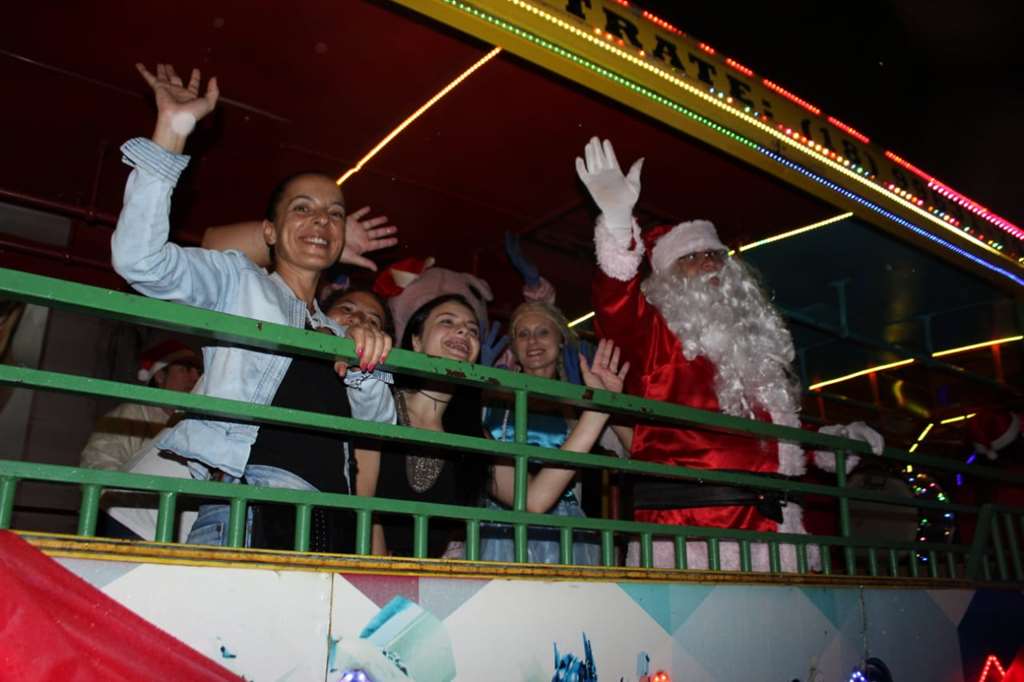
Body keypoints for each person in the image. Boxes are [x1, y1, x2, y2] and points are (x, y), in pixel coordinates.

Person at [110, 62, 394, 551]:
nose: (320, 221)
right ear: (269, 232)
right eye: (301, 208)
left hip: (329, 520)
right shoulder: (237, 282)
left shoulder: (337, 329)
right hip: (250, 508)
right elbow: (141, 261)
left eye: (334, 213)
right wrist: (173, 131)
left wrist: (366, 363)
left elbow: (376, 427)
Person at [576, 137, 882, 570]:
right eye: (691, 258)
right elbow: (616, 309)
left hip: (775, 528)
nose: (708, 264)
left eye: (714, 254)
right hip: (694, 529)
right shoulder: (658, 336)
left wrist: (830, 444)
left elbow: (779, 436)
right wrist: (619, 226)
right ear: (667, 280)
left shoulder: (755, 350)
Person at [365, 279, 629, 562]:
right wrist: (382, 573)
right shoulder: (380, 401)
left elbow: (533, 499)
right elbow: (365, 502)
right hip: (358, 576)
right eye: (447, 321)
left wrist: (598, 409)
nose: (464, 330)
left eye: (472, 329)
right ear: (416, 340)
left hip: (421, 581)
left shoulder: (470, 435)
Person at [478, 300, 627, 564]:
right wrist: (476, 389)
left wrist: (608, 402)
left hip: (563, 529)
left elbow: (633, 446)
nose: (532, 341)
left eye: (543, 332)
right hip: (499, 526)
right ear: (514, 347)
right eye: (522, 334)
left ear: (561, 340)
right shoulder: (493, 394)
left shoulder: (577, 400)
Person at [80, 340, 200, 472]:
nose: (195, 377)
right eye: (186, 369)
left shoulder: (198, 423)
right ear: (160, 376)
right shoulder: (131, 413)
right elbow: (99, 461)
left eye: (198, 372)